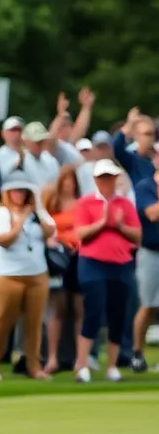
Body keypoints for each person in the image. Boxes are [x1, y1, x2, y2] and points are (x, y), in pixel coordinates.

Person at [73, 159, 142, 382]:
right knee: (93, 311)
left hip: (121, 264)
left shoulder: (125, 204)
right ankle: (82, 364)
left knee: (118, 314)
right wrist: (103, 222)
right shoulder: (85, 203)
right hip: (92, 263)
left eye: (110, 177)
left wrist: (120, 226)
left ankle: (111, 367)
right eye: (103, 178)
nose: (107, 182)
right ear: (95, 180)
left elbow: (137, 236)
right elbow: (81, 234)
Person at [0, 176, 55, 380]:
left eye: (23, 190)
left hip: (37, 273)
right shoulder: (0, 213)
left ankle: (34, 366)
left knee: (34, 323)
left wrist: (37, 210)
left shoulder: (36, 212)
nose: (19, 194)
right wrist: (19, 223)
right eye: (15, 190)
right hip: (9, 275)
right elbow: (3, 240)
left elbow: (50, 231)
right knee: (4, 321)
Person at [42, 166, 83, 374]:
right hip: (59, 259)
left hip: (79, 258)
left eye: (72, 181)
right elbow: (46, 228)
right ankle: (52, 358)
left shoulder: (82, 204)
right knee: (57, 309)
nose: (69, 185)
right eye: (65, 181)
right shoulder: (52, 203)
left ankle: (80, 359)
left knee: (79, 309)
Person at [130, 142, 159, 373]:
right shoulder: (145, 186)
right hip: (150, 253)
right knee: (147, 305)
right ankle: (137, 354)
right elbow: (152, 214)